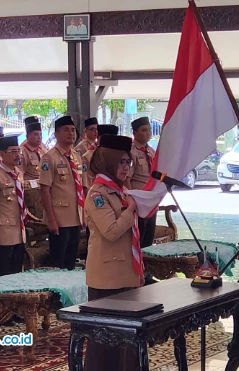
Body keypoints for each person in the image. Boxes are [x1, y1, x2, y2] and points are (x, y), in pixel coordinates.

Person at [84, 134, 142, 371]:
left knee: (126, 340)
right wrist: (131, 210)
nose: (126, 168)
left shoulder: (121, 190)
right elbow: (111, 230)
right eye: (121, 162)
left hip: (126, 273)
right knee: (103, 342)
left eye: (128, 162)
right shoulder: (97, 194)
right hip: (106, 278)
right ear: (108, 161)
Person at [40, 116, 84, 269]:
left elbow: (80, 188)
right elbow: (45, 190)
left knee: (71, 261)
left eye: (73, 130)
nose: (71, 133)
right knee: (58, 262)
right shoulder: (49, 158)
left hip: (76, 217)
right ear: (56, 134)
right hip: (60, 219)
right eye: (66, 130)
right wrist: (51, 220)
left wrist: (83, 214)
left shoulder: (76, 157)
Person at [0, 136, 27, 278]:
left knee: (17, 270)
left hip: (19, 230)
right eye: (13, 151)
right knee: (3, 272)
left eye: (18, 151)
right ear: (2, 154)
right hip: (3, 231)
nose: (17, 155)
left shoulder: (18, 174)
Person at [124, 117, 156, 247]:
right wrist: (131, 201)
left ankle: (147, 264)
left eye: (149, 130)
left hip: (151, 201)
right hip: (138, 201)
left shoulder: (151, 151)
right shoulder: (131, 152)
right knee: (139, 238)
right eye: (144, 130)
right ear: (135, 133)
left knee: (149, 236)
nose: (148, 133)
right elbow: (127, 180)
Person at [82, 124, 119, 192]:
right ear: (99, 138)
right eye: (109, 140)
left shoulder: (116, 157)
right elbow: (85, 185)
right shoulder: (88, 157)